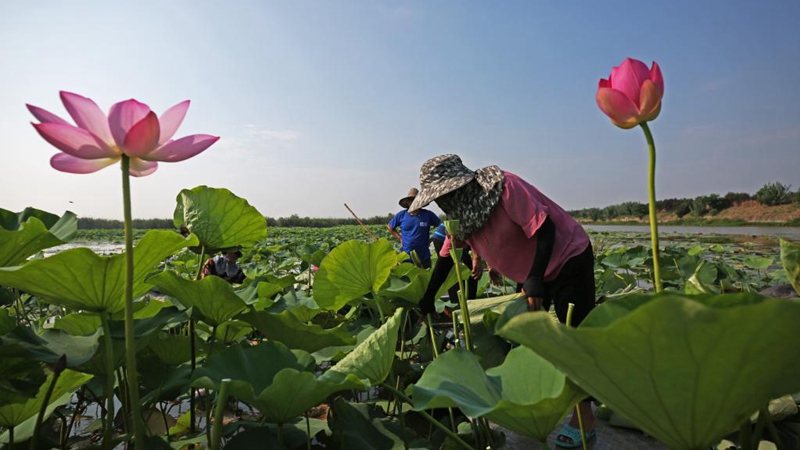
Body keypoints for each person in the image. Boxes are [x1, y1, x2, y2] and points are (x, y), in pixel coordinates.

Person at [411, 154, 597, 448]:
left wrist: (534, 279)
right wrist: (427, 297)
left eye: (444, 195)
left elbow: (545, 229)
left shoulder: (505, 187)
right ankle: (536, 402)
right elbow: (446, 259)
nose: (442, 203)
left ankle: (584, 419)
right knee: (525, 337)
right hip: (534, 270)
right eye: (437, 199)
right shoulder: (462, 217)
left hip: (567, 257)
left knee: (573, 338)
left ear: (460, 185)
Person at [387, 187, 441, 268]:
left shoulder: (428, 215)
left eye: (416, 200)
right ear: (408, 202)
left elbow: (441, 225)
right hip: (406, 256)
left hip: (424, 256)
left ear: (420, 201)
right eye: (411, 200)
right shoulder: (401, 215)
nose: (413, 202)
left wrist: (433, 238)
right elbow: (390, 227)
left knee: (425, 279)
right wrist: (400, 238)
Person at [431, 223, 478, 303]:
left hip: (449, 236)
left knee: (466, 269)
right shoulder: (478, 224)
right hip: (444, 238)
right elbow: (475, 247)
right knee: (456, 271)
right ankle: (460, 302)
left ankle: (467, 299)